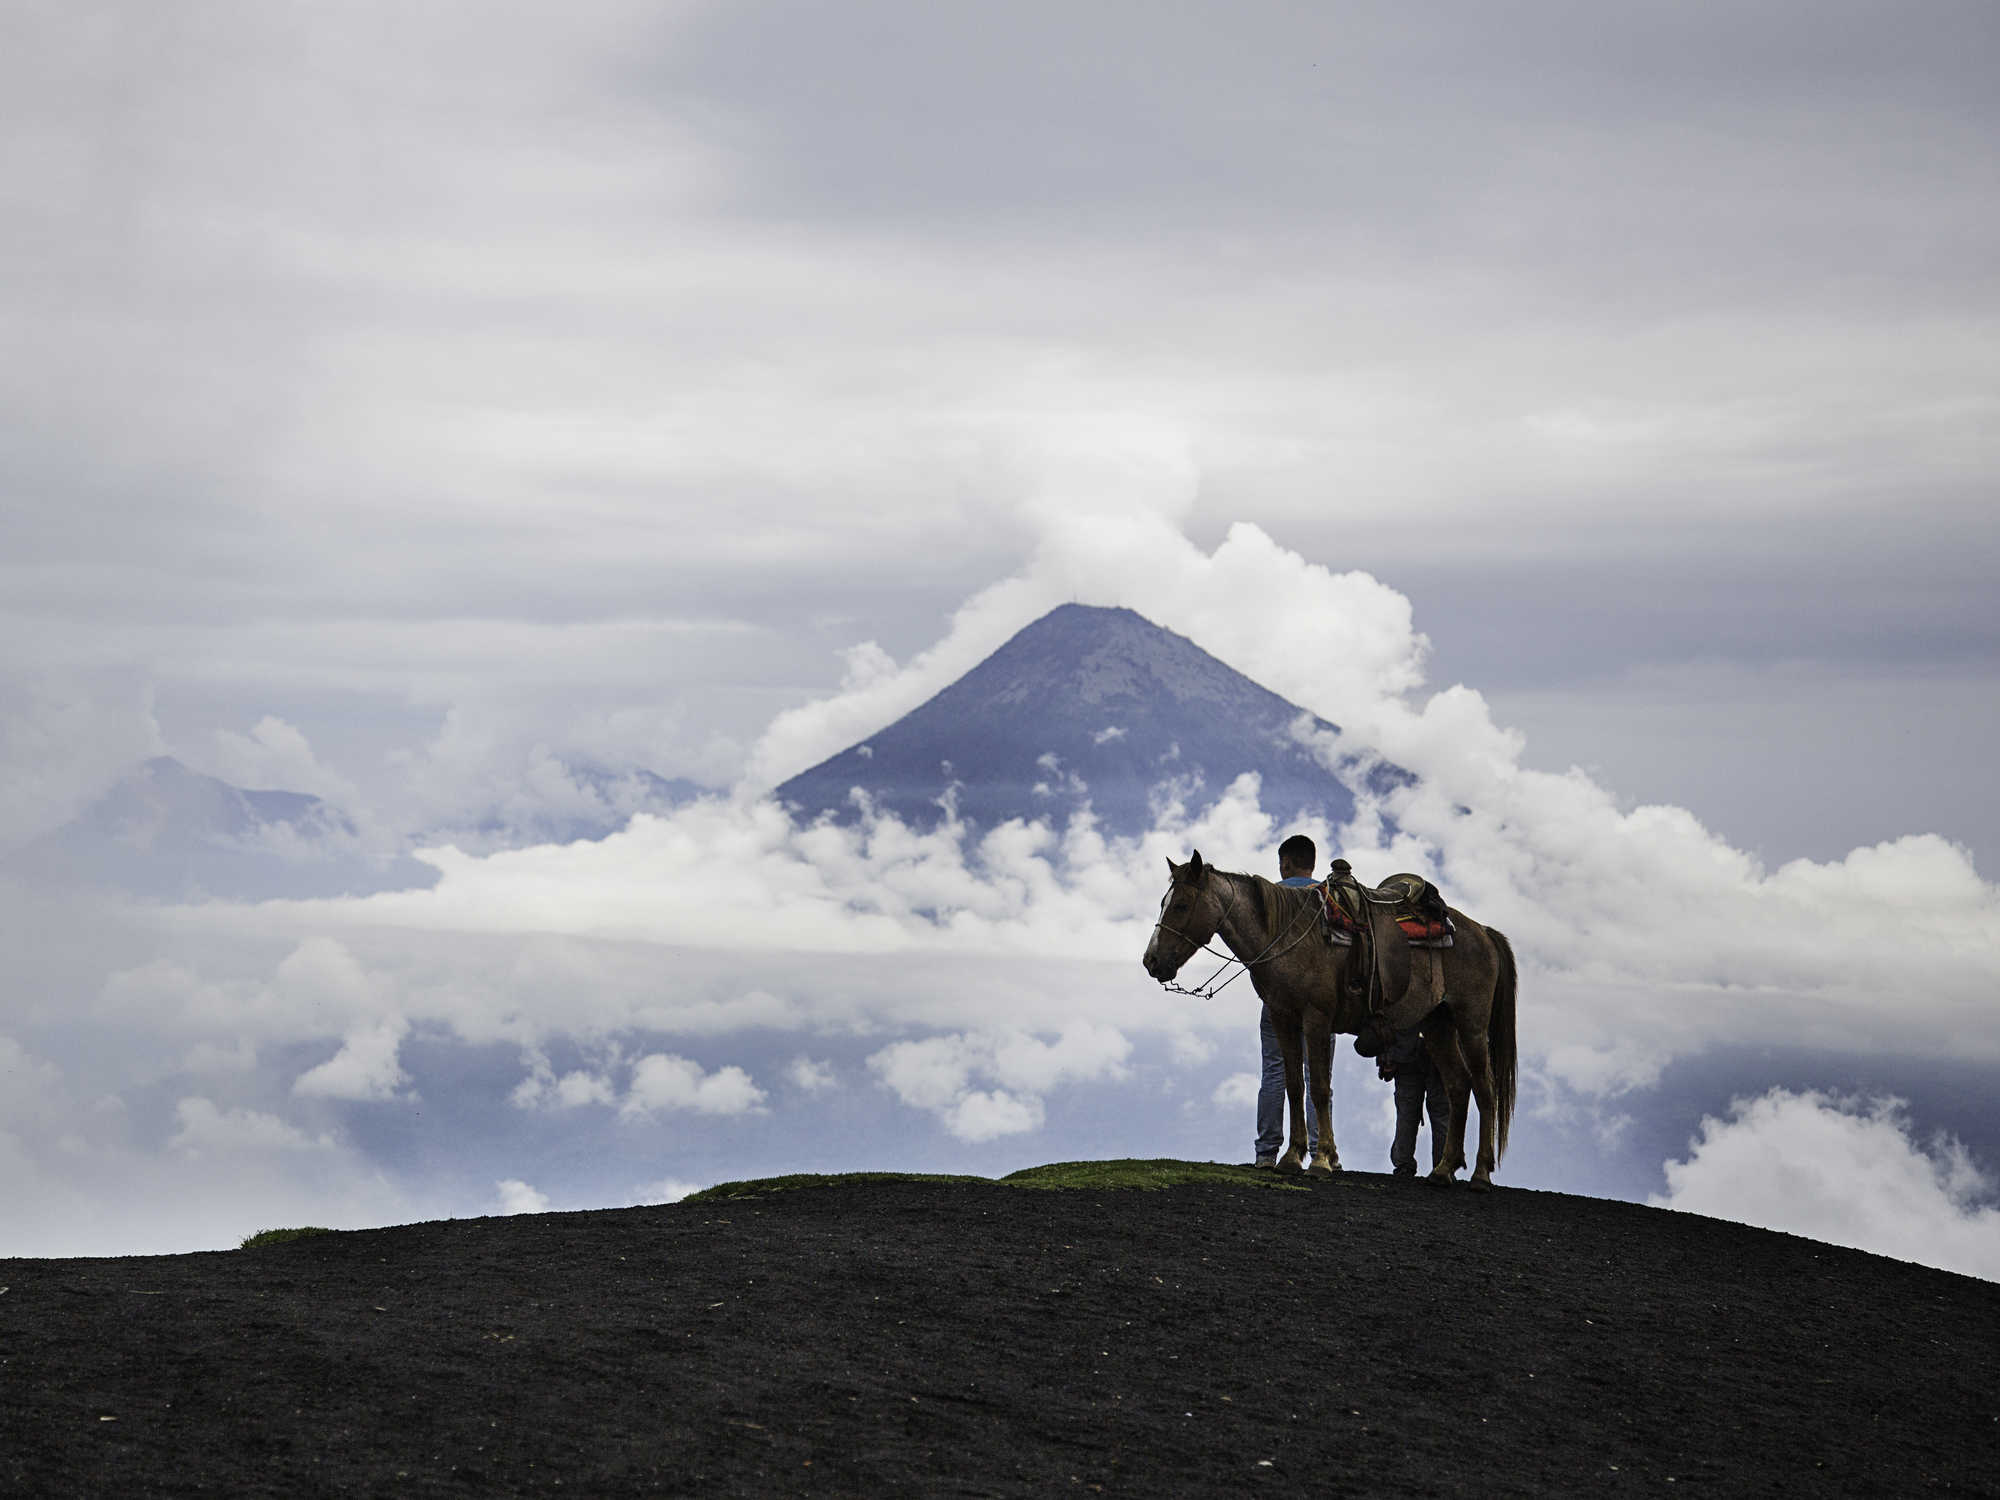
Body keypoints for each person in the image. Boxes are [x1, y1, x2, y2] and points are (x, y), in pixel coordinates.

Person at [1254, 833, 1323, 1167]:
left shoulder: (1273, 898)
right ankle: (1320, 1149)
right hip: (1320, 1001)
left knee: (1274, 1072)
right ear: (1312, 863)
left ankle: (1267, 1152)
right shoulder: (1326, 896)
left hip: (1277, 1002)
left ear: (1285, 863)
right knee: (1317, 1076)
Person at [1378, 1004, 1452, 1179]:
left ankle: (1405, 1163)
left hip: (1407, 1052)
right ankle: (1442, 1166)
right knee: (1438, 1111)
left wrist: (1386, 1055)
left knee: (1407, 1111)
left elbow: (1386, 1011)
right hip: (1437, 1053)